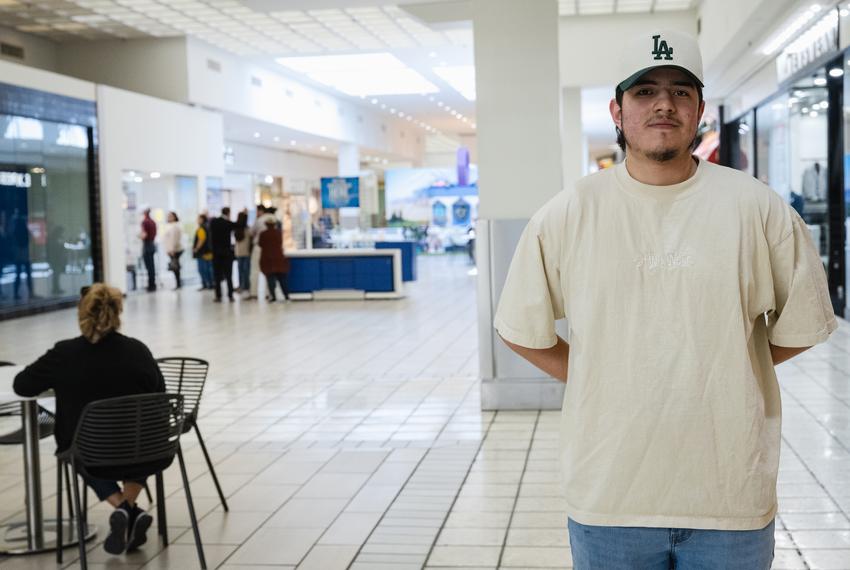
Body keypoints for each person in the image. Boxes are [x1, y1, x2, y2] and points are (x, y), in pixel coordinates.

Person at [493, 30, 837, 570]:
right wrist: (596, 372)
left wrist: (724, 363)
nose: (663, 104)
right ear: (617, 109)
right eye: (645, 90)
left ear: (700, 108)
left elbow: (804, 321)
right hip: (610, 497)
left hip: (730, 497)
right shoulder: (570, 213)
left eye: (680, 91)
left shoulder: (755, 208)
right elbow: (519, 327)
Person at [13, 284, 165, 555]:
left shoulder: (64, 354)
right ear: (118, 312)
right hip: (144, 451)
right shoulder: (138, 351)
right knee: (142, 436)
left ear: (80, 313)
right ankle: (128, 508)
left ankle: (122, 509)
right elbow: (159, 396)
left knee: (76, 448)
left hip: (90, 453)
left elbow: (23, 385)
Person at [248, 204, 276, 300]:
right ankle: (270, 293)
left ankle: (253, 293)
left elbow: (251, 233)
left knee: (255, 270)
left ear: (260, 211)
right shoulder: (275, 219)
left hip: (259, 247)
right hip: (272, 248)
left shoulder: (259, 220)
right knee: (269, 271)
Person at [258, 218, 290, 302]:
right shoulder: (279, 233)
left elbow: (260, 244)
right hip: (279, 258)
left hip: (267, 259)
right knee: (282, 279)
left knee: (270, 279)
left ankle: (273, 297)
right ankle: (286, 296)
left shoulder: (263, 234)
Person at [209, 207, 235, 302]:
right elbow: (239, 225)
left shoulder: (214, 222)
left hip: (216, 253)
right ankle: (230, 295)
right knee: (228, 275)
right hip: (226, 253)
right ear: (228, 213)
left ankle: (218, 296)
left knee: (217, 276)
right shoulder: (228, 223)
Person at [161, 211, 183, 290]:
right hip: (171, 250)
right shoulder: (169, 226)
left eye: (170, 216)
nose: (169, 218)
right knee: (174, 267)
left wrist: (172, 249)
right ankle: (178, 283)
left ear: (174, 217)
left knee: (175, 267)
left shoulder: (175, 226)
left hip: (175, 250)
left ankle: (178, 284)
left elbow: (174, 239)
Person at [192, 214, 213, 290]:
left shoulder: (201, 228)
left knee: (203, 269)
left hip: (202, 252)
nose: (197, 220)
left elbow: (201, 239)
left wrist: (196, 248)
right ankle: (210, 283)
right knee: (209, 269)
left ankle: (206, 284)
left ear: (202, 219)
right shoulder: (208, 226)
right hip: (208, 251)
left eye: (198, 219)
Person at [234, 209, 251, 295]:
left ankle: (241, 286)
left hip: (239, 252)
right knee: (246, 271)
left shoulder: (236, 230)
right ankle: (246, 286)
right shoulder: (247, 229)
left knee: (240, 270)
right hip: (247, 252)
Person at [140, 208, 157, 292]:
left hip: (147, 245)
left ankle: (151, 285)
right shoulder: (153, 222)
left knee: (149, 267)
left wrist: (139, 236)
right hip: (152, 245)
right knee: (152, 266)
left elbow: (144, 235)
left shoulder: (145, 222)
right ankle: (153, 284)